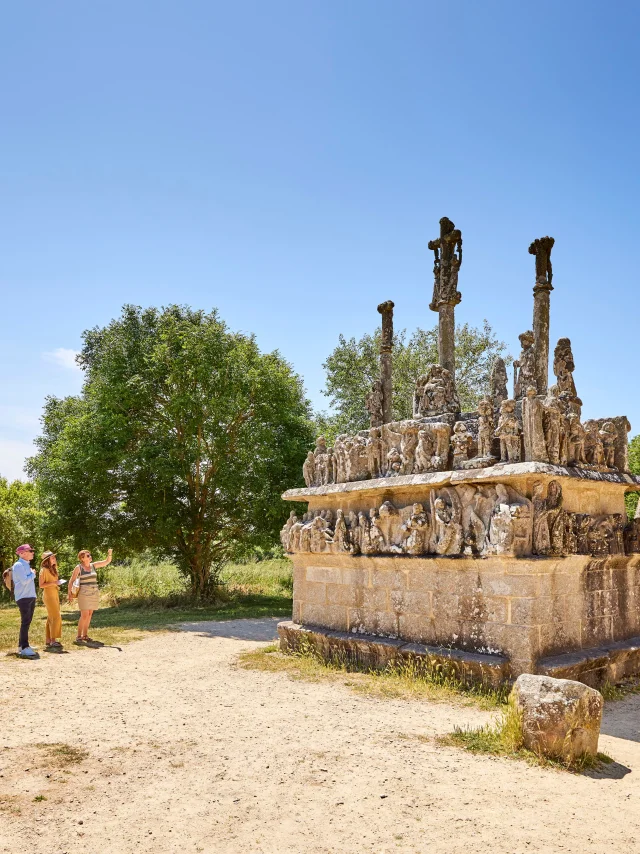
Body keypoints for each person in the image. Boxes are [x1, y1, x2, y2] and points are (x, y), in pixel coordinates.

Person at [68, 548, 112, 644]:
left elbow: (106, 562)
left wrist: (109, 553)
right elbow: (71, 581)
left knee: (90, 614)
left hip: (94, 592)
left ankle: (85, 635)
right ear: (82, 558)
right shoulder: (78, 567)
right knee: (84, 615)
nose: (90, 556)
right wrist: (69, 594)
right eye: (88, 556)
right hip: (83, 593)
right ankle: (79, 636)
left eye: (89, 555)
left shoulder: (93, 566)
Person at [11, 544, 38, 658]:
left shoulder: (26, 564)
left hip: (30, 596)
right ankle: (24, 647)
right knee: (25, 622)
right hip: (23, 597)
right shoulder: (18, 565)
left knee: (27, 622)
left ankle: (22, 645)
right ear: (22, 553)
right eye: (30, 551)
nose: (32, 552)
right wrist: (33, 574)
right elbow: (24, 581)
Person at [39, 551, 65, 651]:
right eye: (52, 557)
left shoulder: (53, 569)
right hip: (48, 595)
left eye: (55, 557)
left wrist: (56, 583)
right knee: (56, 616)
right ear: (47, 560)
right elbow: (41, 585)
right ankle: (53, 640)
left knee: (51, 617)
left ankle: (48, 640)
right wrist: (54, 582)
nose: (54, 559)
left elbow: (53, 583)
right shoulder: (43, 570)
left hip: (55, 594)